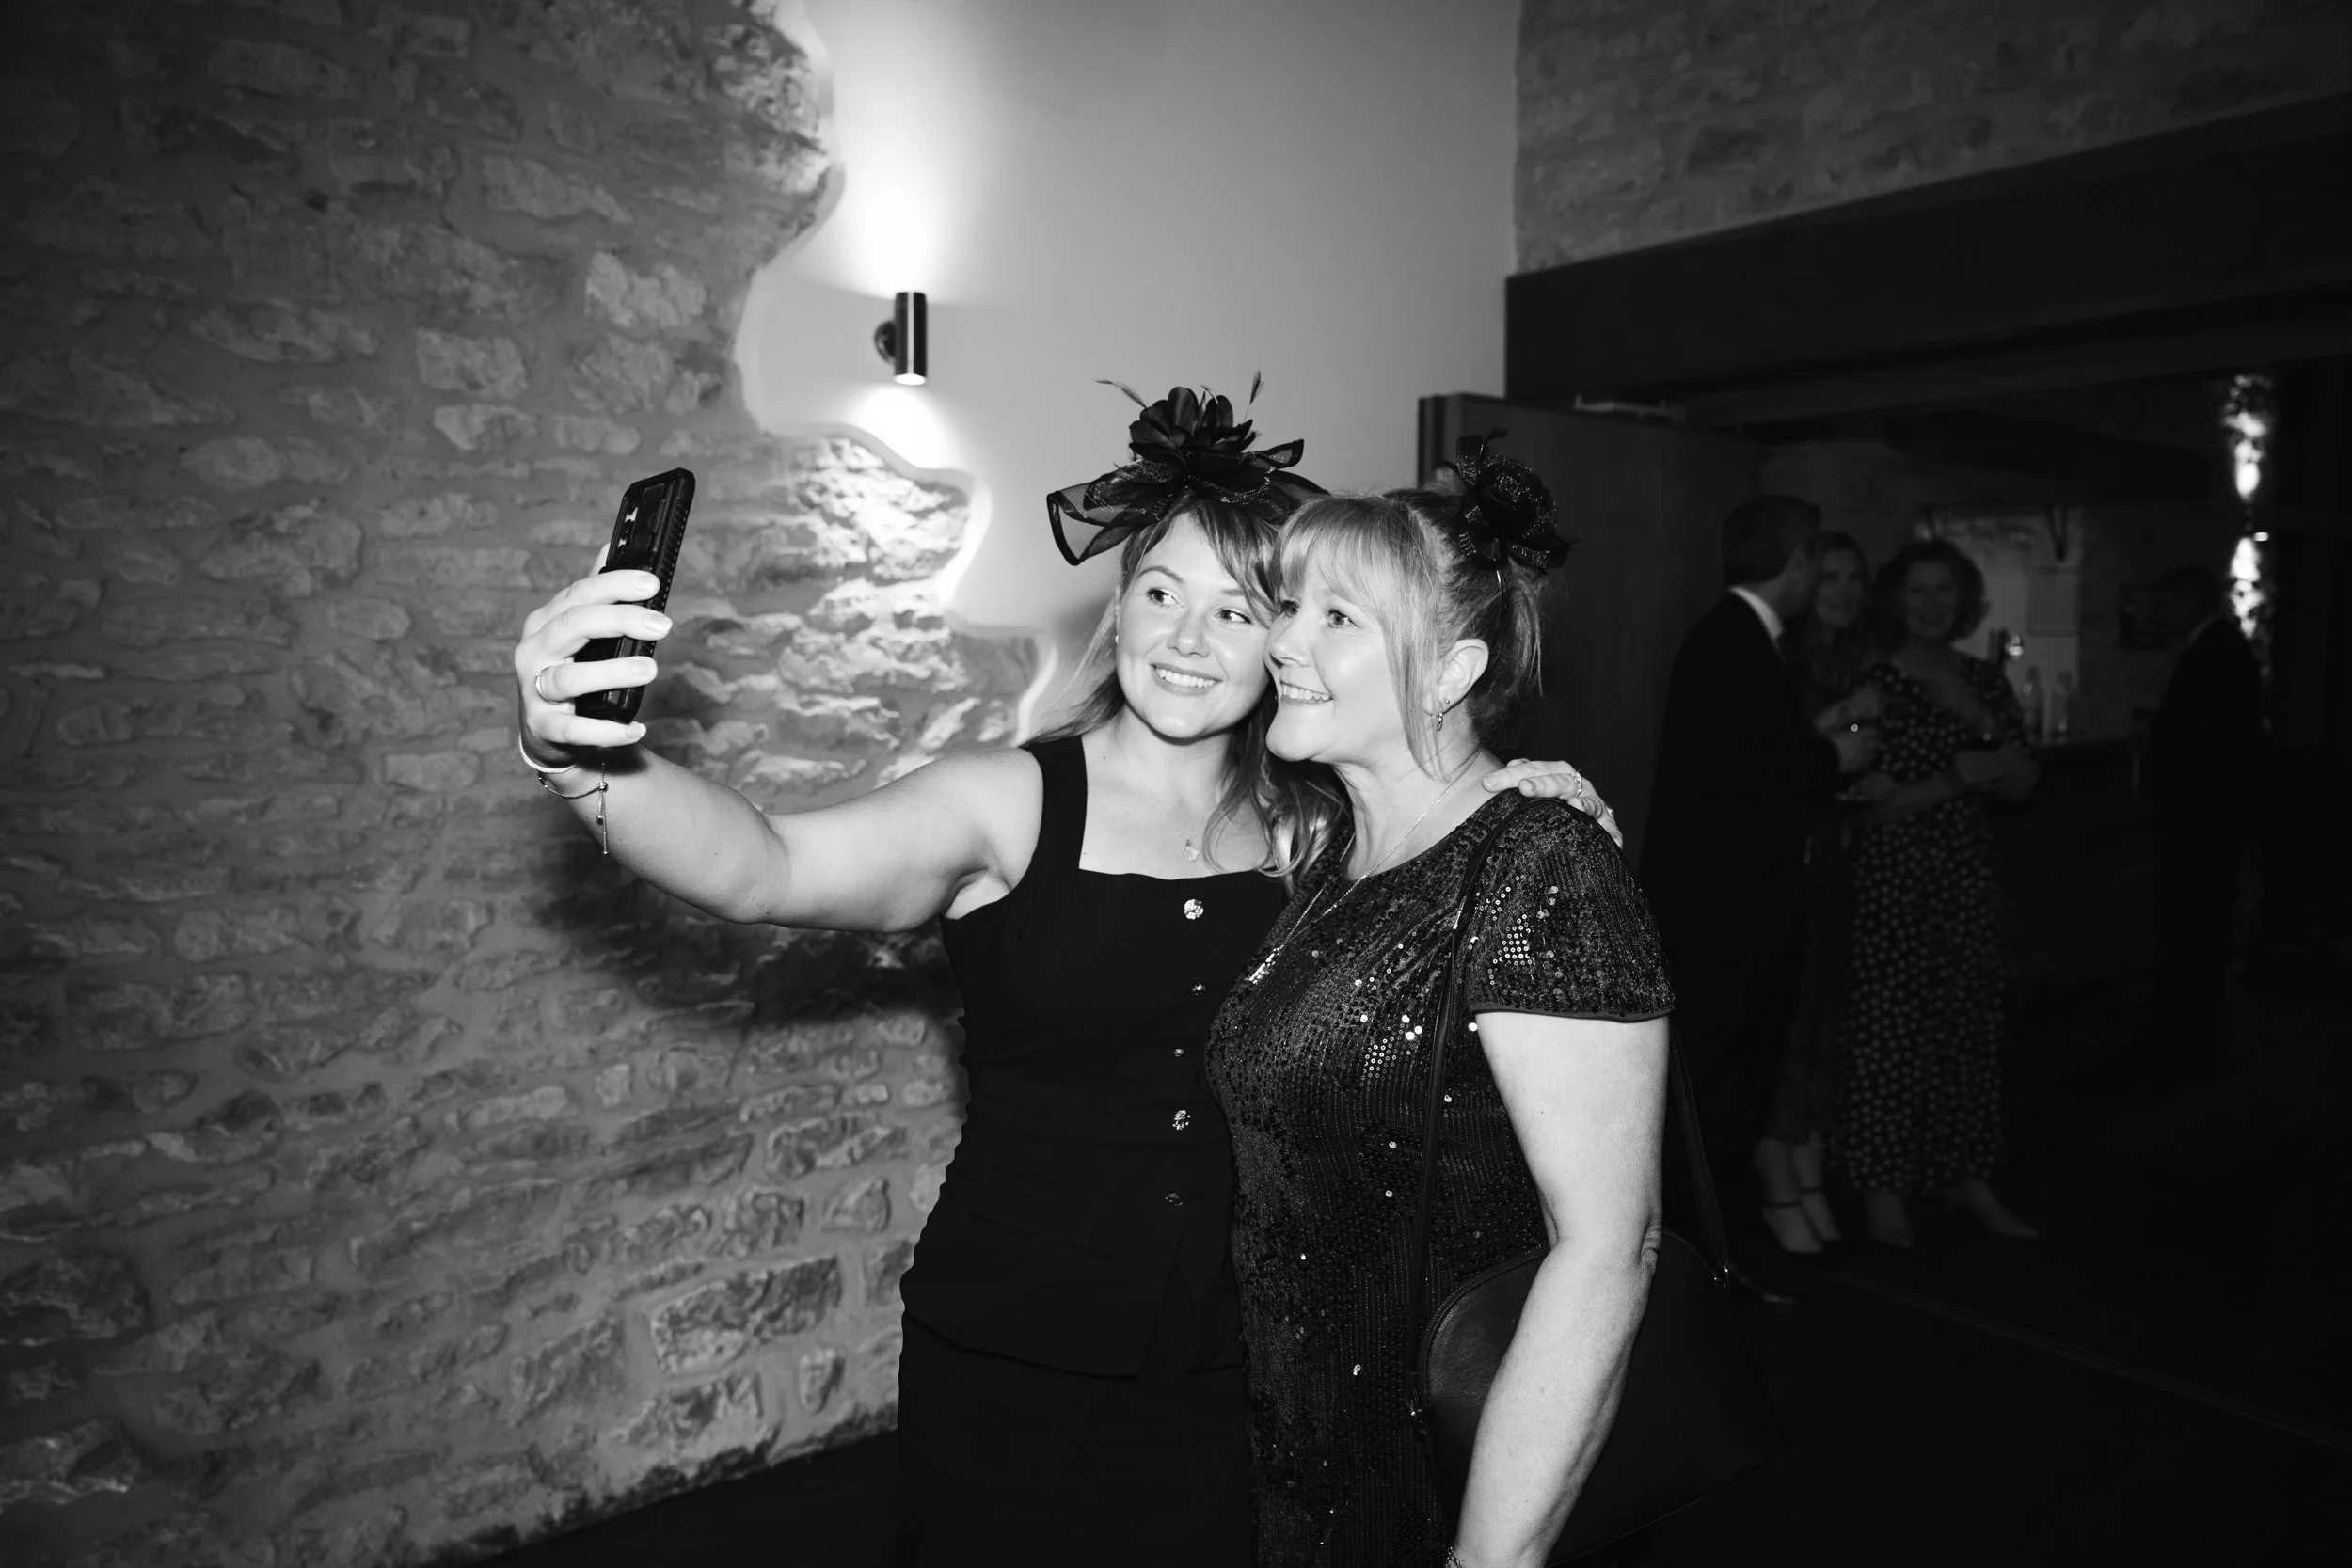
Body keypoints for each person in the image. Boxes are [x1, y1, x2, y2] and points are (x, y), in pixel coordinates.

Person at [509, 385, 1605, 1566]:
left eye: (1235, 610)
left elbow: (1479, 911)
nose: (1184, 638)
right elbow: (763, 863)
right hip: (1012, 1367)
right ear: (1117, 605)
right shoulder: (1007, 802)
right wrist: (575, 756)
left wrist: (1517, 798)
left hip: (1247, 1379)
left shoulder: (1323, 834)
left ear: (1283, 642)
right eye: (1158, 592)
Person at [1208, 448, 1674, 1568]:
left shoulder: (1537, 861)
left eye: (1336, 617)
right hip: (1300, 1454)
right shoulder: (1339, 862)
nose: (1282, 641)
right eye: (1288, 605)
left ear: (1449, 671)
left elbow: (1609, 1248)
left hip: (1440, 1481)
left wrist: (1487, 1557)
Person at [1640, 497, 1879, 1200]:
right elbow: (1731, 770)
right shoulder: (1733, 639)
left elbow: (1745, 749)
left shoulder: (1740, 635)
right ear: (1798, 562)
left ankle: (1717, 1233)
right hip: (1725, 919)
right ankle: (1708, 1240)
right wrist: (1834, 756)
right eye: (1817, 559)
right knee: (1719, 1088)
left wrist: (1820, 736)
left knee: (1729, 1083)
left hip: (1730, 913)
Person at [1836, 539, 2039, 1249]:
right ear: (1897, 599)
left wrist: (1978, 724)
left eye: (1943, 590)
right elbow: (1858, 809)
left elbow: (2022, 781)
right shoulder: (1875, 682)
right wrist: (1954, 780)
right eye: (1917, 590)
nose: (1930, 604)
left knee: (1967, 1028)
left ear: (1965, 601)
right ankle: (1883, 1188)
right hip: (1893, 879)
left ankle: (1968, 1177)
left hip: (1964, 875)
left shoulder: (1983, 680)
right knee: (1889, 1035)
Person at [1756, 531, 1881, 1253]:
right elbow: (1772, 761)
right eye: (1828, 576)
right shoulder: (1783, 659)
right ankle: (1782, 1185)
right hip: (1793, 860)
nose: (1841, 590)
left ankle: (1809, 1176)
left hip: (1843, 857)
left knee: (1829, 1018)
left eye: (1853, 578)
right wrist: (1837, 727)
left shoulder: (1858, 657)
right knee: (1792, 1019)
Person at [2148, 564, 2263, 1027]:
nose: (2161, 614)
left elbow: (2206, 732)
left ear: (2189, 602)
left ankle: (2192, 1003)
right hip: (2211, 807)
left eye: (2166, 604)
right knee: (2203, 905)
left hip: (2203, 810)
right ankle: (2195, 998)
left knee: (2198, 905)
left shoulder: (2215, 651)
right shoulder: (2222, 647)